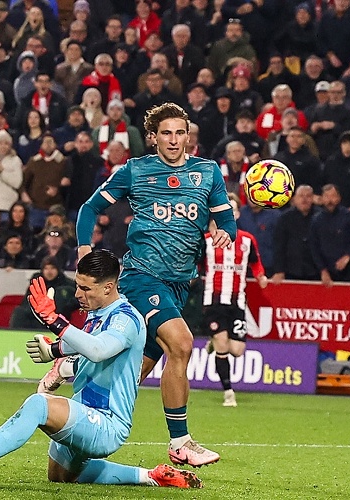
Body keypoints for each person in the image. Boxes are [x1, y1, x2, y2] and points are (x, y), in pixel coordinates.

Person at [0, 250, 203, 489]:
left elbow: (98, 349)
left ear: (108, 287)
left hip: (107, 424)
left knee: (37, 406)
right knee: (61, 476)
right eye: (78, 285)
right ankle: (152, 476)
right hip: (85, 412)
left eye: (86, 288)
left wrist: (55, 321)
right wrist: (54, 354)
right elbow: (83, 347)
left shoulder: (125, 318)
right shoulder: (98, 316)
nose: (78, 293)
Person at [72, 102, 235, 467]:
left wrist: (225, 232)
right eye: (166, 133)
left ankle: (74, 397)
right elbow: (88, 209)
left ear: (188, 135)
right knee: (182, 344)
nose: (175, 140)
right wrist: (85, 250)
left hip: (179, 284)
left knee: (131, 371)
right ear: (153, 137)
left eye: (180, 132)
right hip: (142, 276)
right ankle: (180, 442)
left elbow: (227, 220)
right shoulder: (136, 170)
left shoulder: (207, 173)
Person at [202, 197, 268, 407]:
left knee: (237, 350)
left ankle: (213, 342)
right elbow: (194, 264)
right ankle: (228, 392)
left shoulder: (248, 240)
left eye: (233, 210)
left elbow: (256, 264)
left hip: (237, 301)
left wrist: (261, 277)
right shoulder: (206, 240)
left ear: (238, 214)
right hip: (213, 300)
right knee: (223, 345)